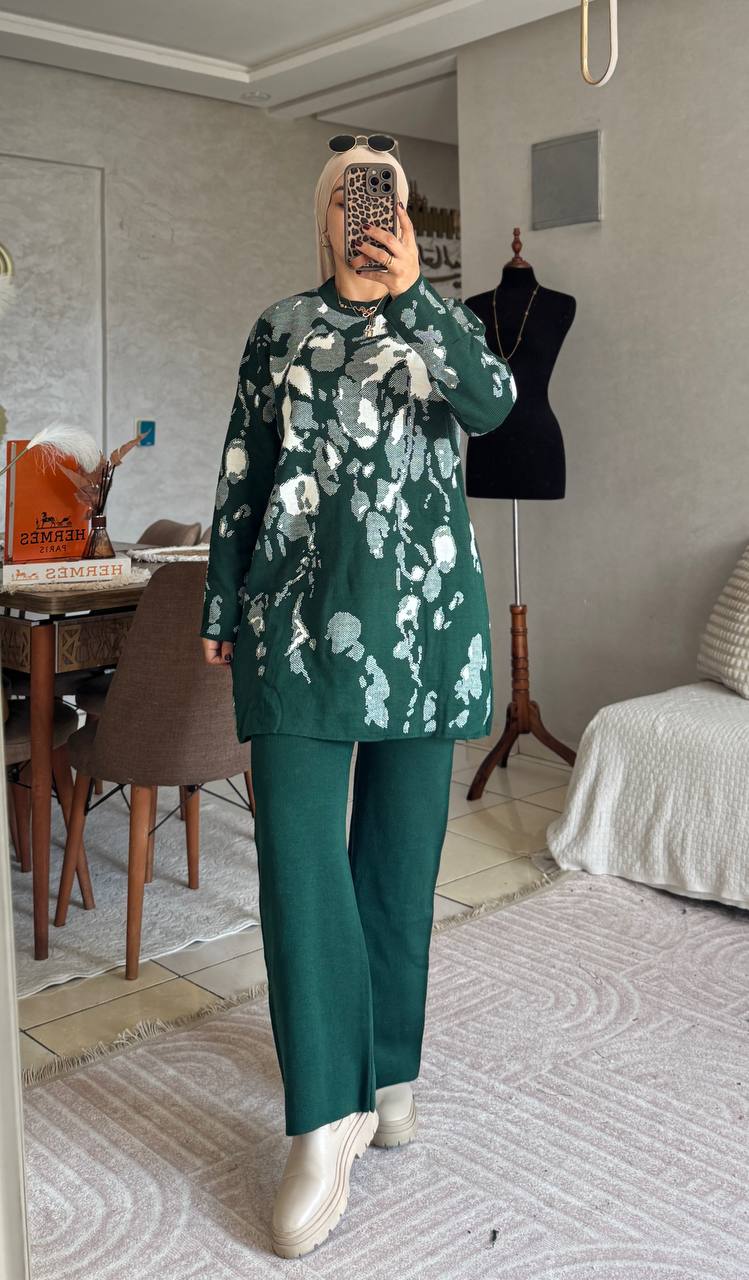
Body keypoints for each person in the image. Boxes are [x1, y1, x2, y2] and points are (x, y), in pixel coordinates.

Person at [200, 136, 517, 1259]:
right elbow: (242, 466)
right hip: (294, 629)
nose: (363, 212)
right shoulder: (280, 327)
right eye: (348, 195)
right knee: (298, 864)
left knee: (396, 865)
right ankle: (323, 1116)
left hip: (425, 633)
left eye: (381, 196)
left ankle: (389, 1074)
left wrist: (416, 297)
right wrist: (220, 599)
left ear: (403, 217)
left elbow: (494, 407)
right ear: (324, 215)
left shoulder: (442, 325)